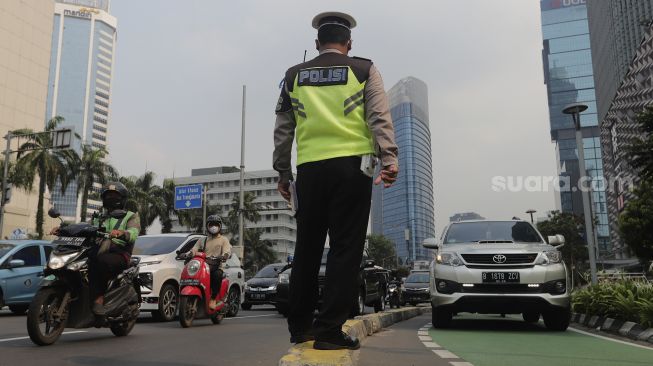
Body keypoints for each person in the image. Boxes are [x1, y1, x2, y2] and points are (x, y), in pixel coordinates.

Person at [273, 11, 398, 350]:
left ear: (317, 44)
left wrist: (283, 173)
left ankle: (300, 327)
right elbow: (378, 117)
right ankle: (329, 330)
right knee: (345, 250)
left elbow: (283, 130)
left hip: (309, 170)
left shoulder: (293, 75)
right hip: (352, 170)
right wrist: (389, 158)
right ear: (349, 43)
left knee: (307, 249)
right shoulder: (364, 70)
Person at [49, 182, 141, 316]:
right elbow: (83, 227)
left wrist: (122, 233)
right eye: (108, 195)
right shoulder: (99, 216)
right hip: (98, 250)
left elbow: (134, 231)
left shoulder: (130, 216)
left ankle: (99, 300)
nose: (110, 198)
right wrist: (63, 229)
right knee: (80, 261)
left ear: (122, 199)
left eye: (114, 195)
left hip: (119, 253)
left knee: (98, 262)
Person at [187, 215, 231, 310]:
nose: (213, 227)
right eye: (211, 225)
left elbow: (227, 251)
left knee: (217, 275)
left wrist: (224, 256)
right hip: (203, 266)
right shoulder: (203, 239)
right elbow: (194, 249)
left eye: (216, 225)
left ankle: (213, 298)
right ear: (207, 226)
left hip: (216, 266)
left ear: (220, 226)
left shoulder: (223, 240)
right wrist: (187, 254)